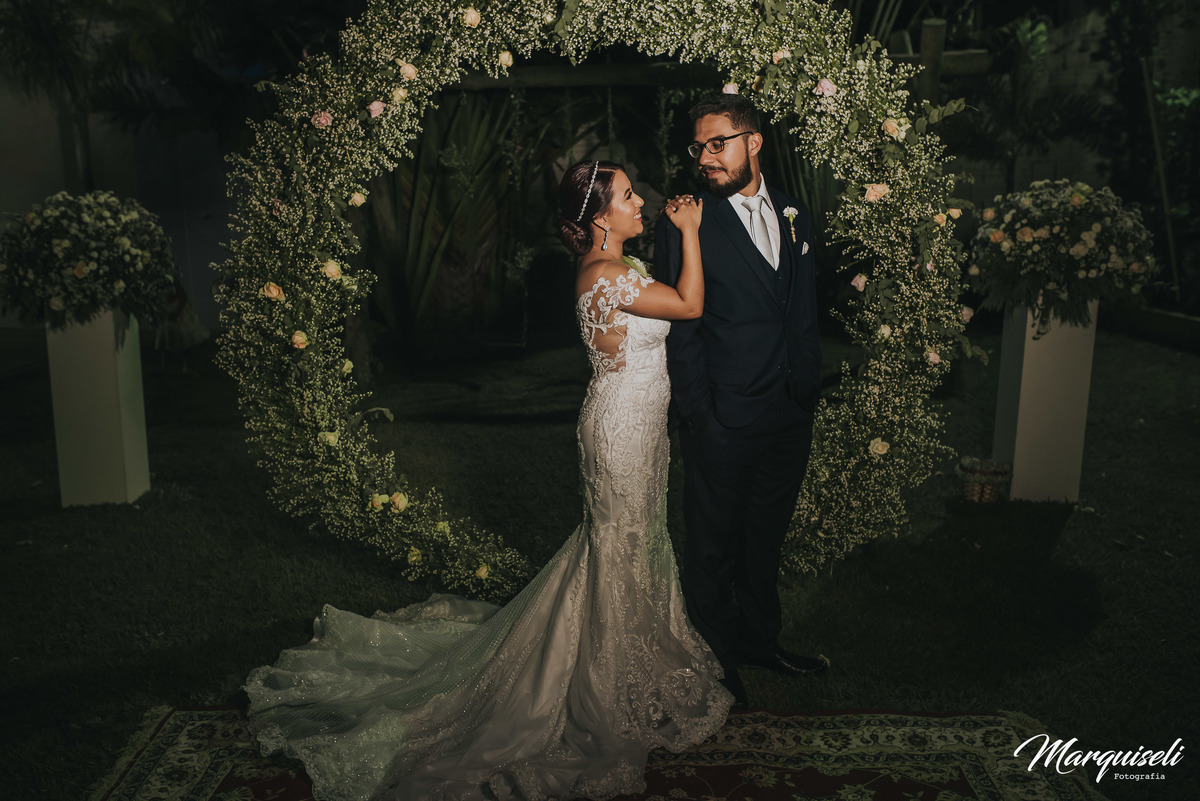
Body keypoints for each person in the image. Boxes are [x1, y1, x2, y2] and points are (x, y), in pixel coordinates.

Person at [244, 159, 732, 801]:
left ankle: (637, 658)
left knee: (633, 542)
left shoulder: (620, 267)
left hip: (640, 427)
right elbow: (690, 304)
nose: (640, 200)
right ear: (598, 217)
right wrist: (690, 230)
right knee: (618, 544)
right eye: (626, 195)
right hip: (620, 433)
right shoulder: (605, 275)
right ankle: (605, 681)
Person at [654, 93, 826, 712]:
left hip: (789, 409)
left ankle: (759, 641)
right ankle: (715, 662)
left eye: (717, 143)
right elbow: (682, 328)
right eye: (698, 146)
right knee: (712, 546)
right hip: (723, 416)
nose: (705, 157)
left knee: (765, 537)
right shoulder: (687, 220)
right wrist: (700, 414)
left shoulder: (794, 212)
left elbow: (799, 306)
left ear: (753, 142)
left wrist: (806, 383)